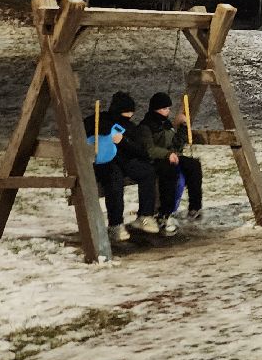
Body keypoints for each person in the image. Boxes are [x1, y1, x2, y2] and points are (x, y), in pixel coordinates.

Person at [136, 92, 203, 232]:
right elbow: (150, 149)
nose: (168, 111)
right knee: (169, 172)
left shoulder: (166, 124)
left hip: (171, 156)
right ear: (157, 109)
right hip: (156, 160)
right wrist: (167, 154)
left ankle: (195, 206)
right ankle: (165, 213)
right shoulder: (146, 126)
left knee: (193, 165)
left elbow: (176, 145)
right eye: (165, 108)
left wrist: (183, 126)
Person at [110, 91, 165, 234]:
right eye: (126, 113)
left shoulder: (131, 128)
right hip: (110, 163)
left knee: (148, 172)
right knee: (114, 181)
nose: (129, 116)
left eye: (130, 113)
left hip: (128, 161)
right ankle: (116, 224)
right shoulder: (105, 124)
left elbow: (140, 150)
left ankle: (145, 215)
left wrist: (124, 142)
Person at [84, 98, 130, 245]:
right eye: (127, 112)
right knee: (113, 178)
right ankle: (113, 224)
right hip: (92, 163)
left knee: (116, 176)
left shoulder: (115, 124)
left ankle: (116, 223)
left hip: (107, 163)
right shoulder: (102, 123)